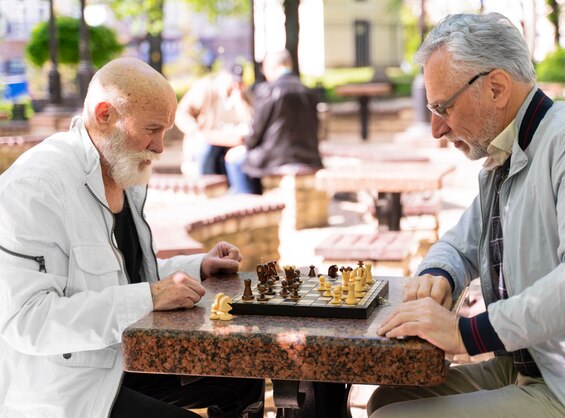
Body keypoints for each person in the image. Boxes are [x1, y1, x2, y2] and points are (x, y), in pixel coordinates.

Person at [367, 13, 565, 418]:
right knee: (389, 398)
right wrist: (439, 273)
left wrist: (465, 333)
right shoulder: (507, 149)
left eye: (443, 107)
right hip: (528, 364)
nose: (436, 128)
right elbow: (460, 242)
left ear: (496, 87)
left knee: (391, 416)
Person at [0, 58, 263, 418]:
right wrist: (150, 297)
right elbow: (26, 321)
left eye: (165, 131)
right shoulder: (35, 187)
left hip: (119, 361)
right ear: (104, 114)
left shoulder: (122, 167)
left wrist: (196, 267)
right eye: (152, 129)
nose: (159, 147)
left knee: (242, 373)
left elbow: (124, 277)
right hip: (62, 390)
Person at [225, 49, 323, 194]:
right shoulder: (308, 91)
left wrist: (245, 146)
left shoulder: (267, 90)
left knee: (234, 160)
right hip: (309, 156)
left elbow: (256, 132)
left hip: (275, 158)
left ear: (269, 67)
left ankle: (247, 202)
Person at [175, 63, 252, 176]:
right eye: (232, 80)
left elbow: (251, 121)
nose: (235, 84)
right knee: (205, 150)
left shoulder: (242, 93)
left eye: (238, 81)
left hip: (230, 141)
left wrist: (241, 101)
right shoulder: (205, 89)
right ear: (223, 76)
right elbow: (181, 113)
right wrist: (196, 131)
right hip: (204, 140)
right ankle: (204, 184)